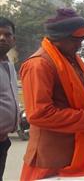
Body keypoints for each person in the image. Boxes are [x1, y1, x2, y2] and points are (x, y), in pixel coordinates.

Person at [19, 9, 84, 180]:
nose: (79, 45)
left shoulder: (73, 61)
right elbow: (39, 114)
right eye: (75, 40)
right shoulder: (39, 65)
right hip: (50, 160)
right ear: (58, 37)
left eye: (81, 41)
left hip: (77, 153)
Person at [0, 17, 20, 181]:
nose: (3, 38)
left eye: (7, 35)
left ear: (13, 40)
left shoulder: (9, 65)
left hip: (3, 141)